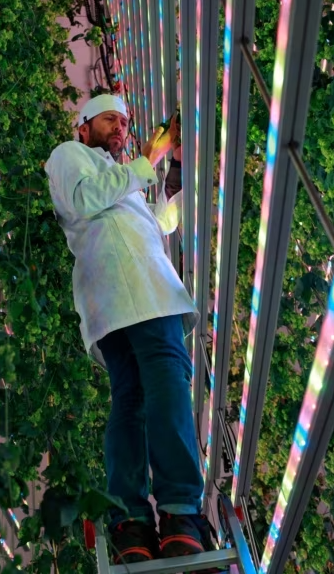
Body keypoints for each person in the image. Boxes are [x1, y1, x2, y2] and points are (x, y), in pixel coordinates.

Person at [44, 94, 214, 566]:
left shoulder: (125, 183)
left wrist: (171, 167)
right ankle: (180, 511)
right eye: (108, 120)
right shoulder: (68, 155)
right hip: (134, 285)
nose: (120, 127)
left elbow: (161, 222)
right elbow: (84, 200)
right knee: (166, 380)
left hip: (116, 295)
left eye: (124, 121)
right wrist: (151, 159)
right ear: (82, 126)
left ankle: (132, 523)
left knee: (132, 399)